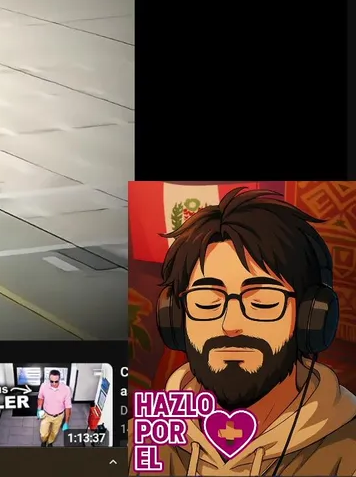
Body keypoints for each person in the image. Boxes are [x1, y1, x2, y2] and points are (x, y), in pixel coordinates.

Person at [143, 188, 356, 475]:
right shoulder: (141, 443)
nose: (230, 324)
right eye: (207, 301)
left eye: (262, 301)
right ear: (176, 317)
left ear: (312, 316)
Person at [37, 370, 72, 447]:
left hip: (58, 416)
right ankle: (44, 441)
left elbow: (68, 407)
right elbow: (40, 398)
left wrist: (66, 422)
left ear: (59, 379)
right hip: (46, 415)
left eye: (56, 381)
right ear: (49, 379)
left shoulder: (66, 389)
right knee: (43, 434)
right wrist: (39, 409)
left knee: (54, 433)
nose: (53, 384)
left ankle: (50, 442)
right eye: (51, 381)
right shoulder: (44, 386)